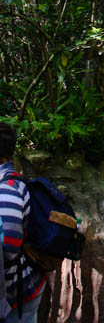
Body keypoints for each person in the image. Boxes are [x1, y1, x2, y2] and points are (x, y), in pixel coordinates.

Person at [0, 122, 46, 323]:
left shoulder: (5, 191)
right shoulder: (12, 181)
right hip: (23, 287)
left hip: (15, 297)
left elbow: (8, 248)